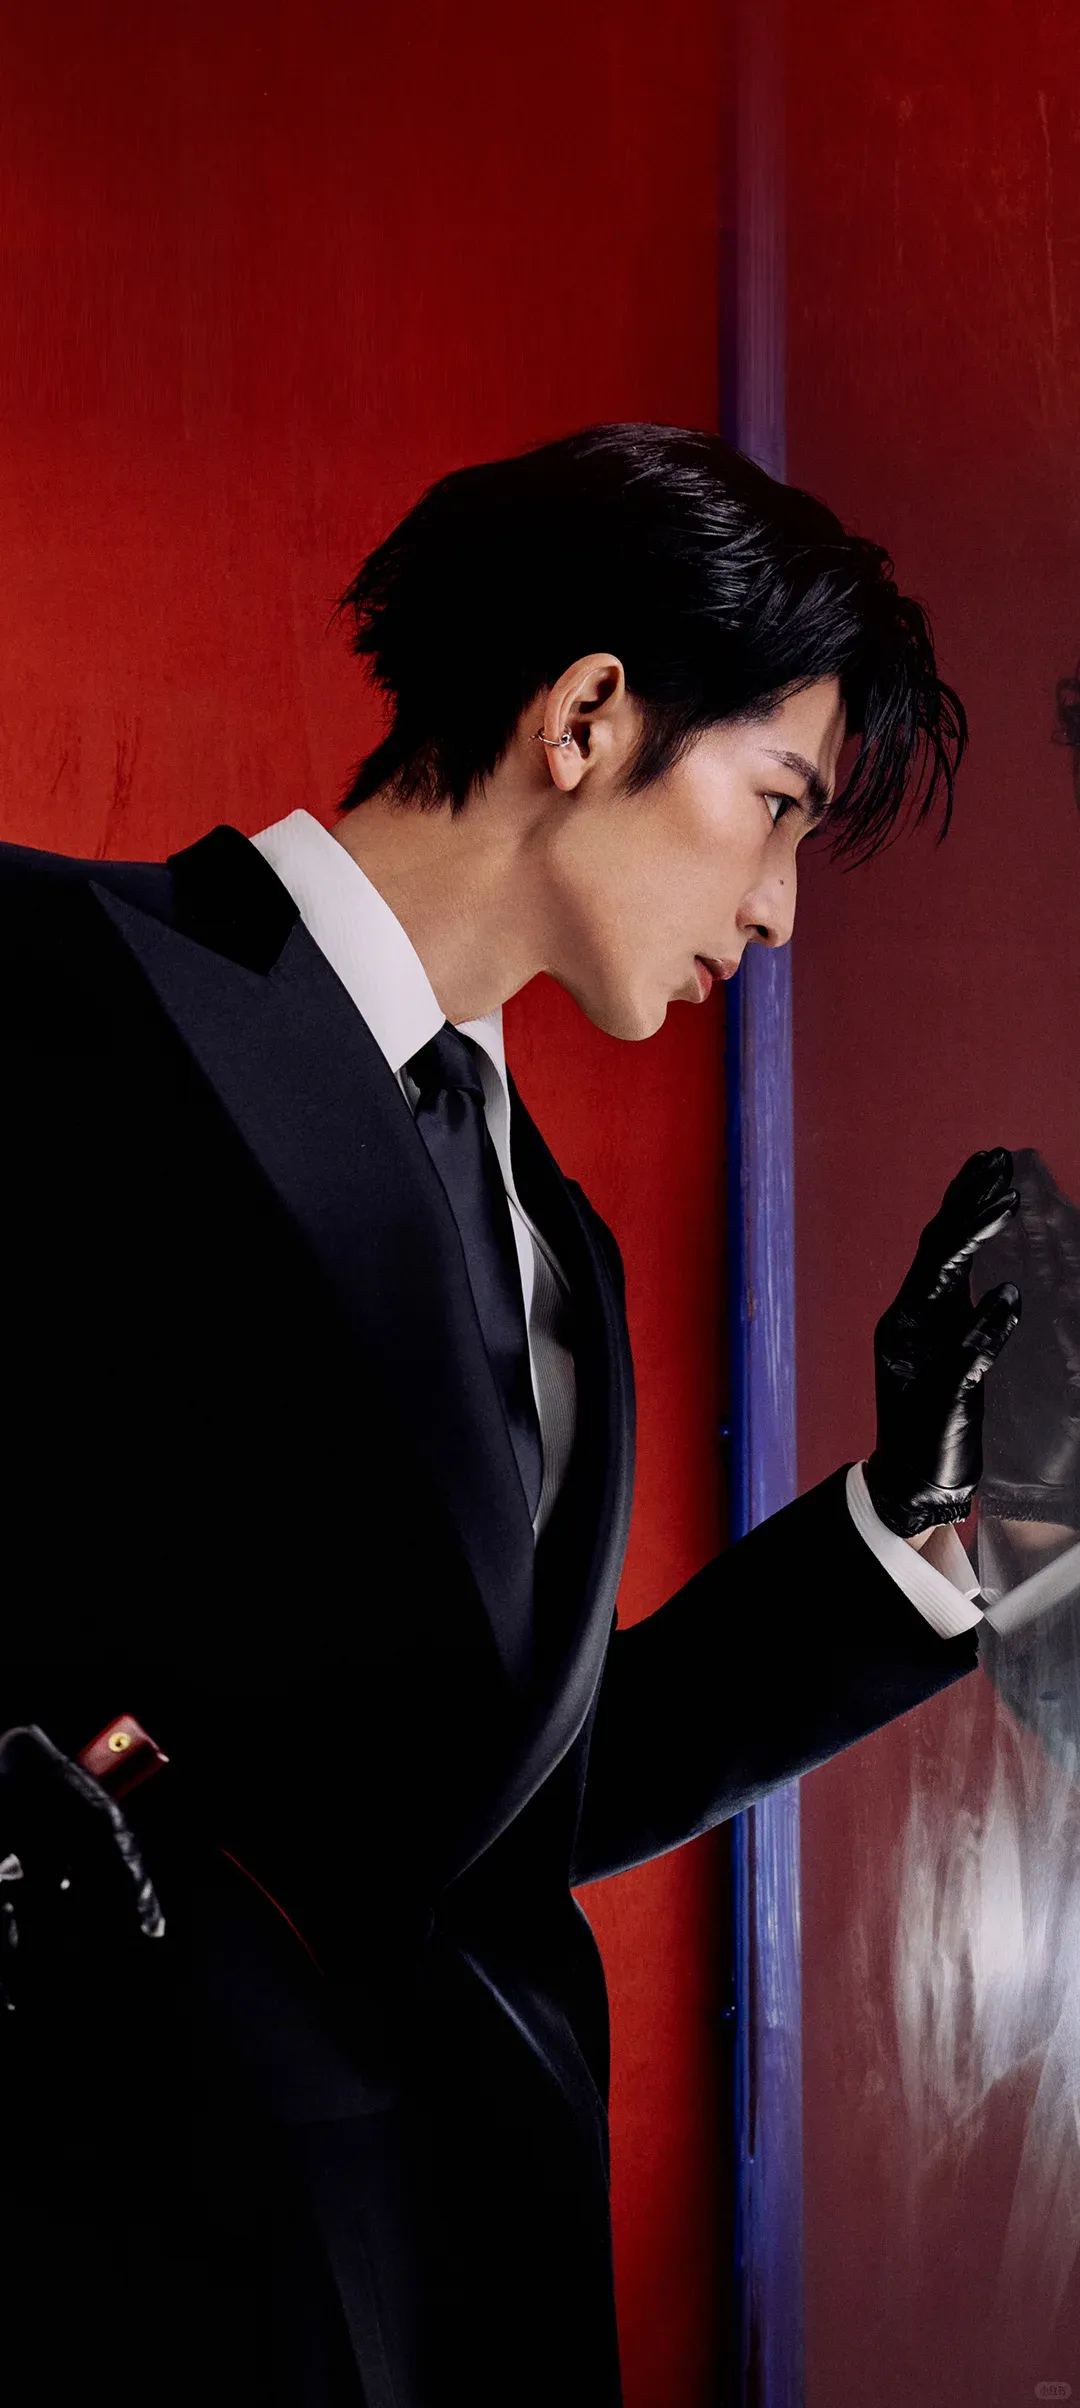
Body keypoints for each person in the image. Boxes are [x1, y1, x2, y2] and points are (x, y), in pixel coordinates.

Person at [0, 423, 1021, 2406]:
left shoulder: (556, 1242)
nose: (782, 910)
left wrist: (912, 1519)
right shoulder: (48, 979)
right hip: (127, 2273)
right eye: (778, 806)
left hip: (475, 2296)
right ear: (585, 717)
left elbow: (504, 1808)